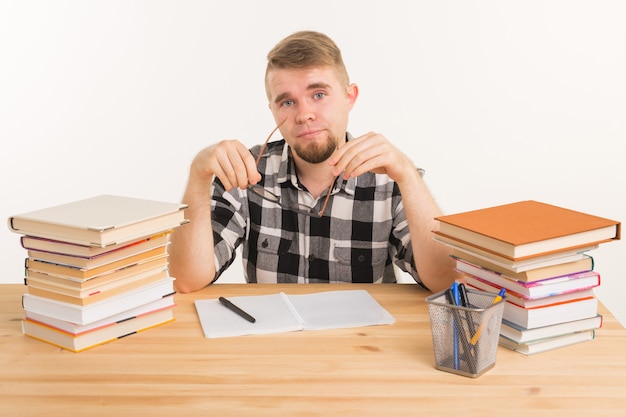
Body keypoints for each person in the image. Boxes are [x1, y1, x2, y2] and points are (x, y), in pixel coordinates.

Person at [169, 30, 459, 293]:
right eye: (287, 101)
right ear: (272, 109)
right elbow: (186, 279)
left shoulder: (390, 178)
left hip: (364, 345)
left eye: (318, 94)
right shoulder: (246, 172)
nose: (304, 114)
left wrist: (409, 176)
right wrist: (198, 175)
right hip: (275, 345)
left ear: (350, 97)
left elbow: (446, 281)